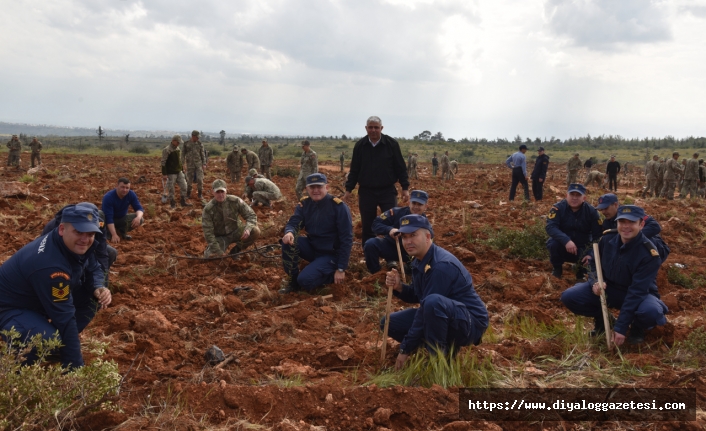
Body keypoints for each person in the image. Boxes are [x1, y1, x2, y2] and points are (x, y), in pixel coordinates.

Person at [0, 205, 111, 368]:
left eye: (90, 234)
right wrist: (75, 369)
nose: (85, 239)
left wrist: (98, 286)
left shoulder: (69, 244)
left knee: (93, 297)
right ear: (61, 229)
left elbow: (92, 265)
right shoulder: (50, 266)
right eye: (79, 232)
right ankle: (15, 362)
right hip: (11, 309)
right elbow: (64, 317)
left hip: (37, 300)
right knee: (50, 344)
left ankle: (53, 337)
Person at [381, 214, 488, 369]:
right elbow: (419, 295)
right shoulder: (420, 259)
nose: (408, 241)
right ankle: (441, 347)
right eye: (404, 237)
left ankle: (439, 363)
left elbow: (428, 305)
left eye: (413, 235)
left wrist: (405, 349)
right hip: (444, 314)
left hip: (470, 323)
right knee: (388, 323)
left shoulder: (440, 266)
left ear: (428, 236)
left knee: (433, 303)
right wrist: (400, 287)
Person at [560, 206, 668, 346]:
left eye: (631, 222)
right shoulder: (607, 239)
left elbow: (637, 291)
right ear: (617, 223)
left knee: (651, 312)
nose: (626, 227)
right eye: (622, 222)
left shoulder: (650, 253)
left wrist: (621, 328)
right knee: (570, 297)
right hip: (609, 289)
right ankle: (603, 320)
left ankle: (637, 327)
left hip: (639, 294)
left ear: (641, 225)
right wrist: (596, 282)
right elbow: (593, 263)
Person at [280, 173, 352, 294]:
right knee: (288, 242)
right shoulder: (305, 204)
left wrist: (341, 268)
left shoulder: (338, 207)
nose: (316, 190)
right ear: (307, 189)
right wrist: (290, 232)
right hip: (313, 248)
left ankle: (330, 274)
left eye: (319, 187)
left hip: (331, 254)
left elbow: (347, 239)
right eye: (312, 187)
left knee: (305, 280)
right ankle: (293, 282)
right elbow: (294, 222)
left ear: (327, 187)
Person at [343, 116, 409, 245]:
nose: (373, 130)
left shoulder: (391, 144)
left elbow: (400, 167)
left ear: (381, 128)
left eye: (376, 127)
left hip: (387, 190)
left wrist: (405, 188)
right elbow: (354, 170)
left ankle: (391, 256)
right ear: (366, 128)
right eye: (370, 127)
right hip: (366, 191)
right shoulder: (360, 146)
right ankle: (369, 253)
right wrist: (348, 190)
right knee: (367, 224)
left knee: (391, 222)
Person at [42, 202, 118, 287]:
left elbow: (102, 252)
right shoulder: (56, 225)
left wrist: (102, 285)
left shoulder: (99, 223)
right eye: (79, 232)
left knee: (111, 252)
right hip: (62, 251)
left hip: (84, 247)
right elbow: (47, 254)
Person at [545, 184, 603, 279]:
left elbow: (598, 236)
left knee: (587, 268)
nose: (574, 198)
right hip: (563, 246)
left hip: (582, 247)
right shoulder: (558, 208)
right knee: (553, 243)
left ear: (584, 198)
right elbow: (550, 227)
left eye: (578, 195)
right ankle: (557, 268)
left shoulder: (591, 211)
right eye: (572, 195)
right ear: (566, 196)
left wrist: (591, 254)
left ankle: (580, 270)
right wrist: (566, 240)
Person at [364, 190, 429, 274]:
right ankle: (376, 274)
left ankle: (410, 270)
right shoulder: (396, 212)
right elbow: (376, 224)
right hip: (392, 247)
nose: (416, 207)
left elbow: (429, 244)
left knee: (418, 265)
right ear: (409, 202)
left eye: (420, 204)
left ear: (425, 206)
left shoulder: (425, 223)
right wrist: (389, 229)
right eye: (414, 203)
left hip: (411, 252)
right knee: (370, 244)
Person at [595, 193, 669, 262]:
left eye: (606, 208)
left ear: (616, 205)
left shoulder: (631, 213)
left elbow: (655, 226)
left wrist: (633, 237)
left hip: (655, 248)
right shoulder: (607, 223)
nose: (603, 212)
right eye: (601, 209)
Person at [202, 179, 260, 257]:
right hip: (221, 237)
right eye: (217, 192)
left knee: (255, 231)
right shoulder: (208, 209)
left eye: (222, 191)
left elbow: (251, 215)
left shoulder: (235, 201)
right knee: (210, 256)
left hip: (237, 231)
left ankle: (235, 251)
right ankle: (217, 251)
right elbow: (208, 233)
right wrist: (219, 252)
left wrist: (248, 229)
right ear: (213, 192)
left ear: (226, 190)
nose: (220, 195)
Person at [101, 178, 144, 243]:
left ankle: (121, 232)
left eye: (127, 188)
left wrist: (138, 217)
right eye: (122, 187)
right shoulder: (109, 197)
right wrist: (114, 235)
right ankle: (108, 233)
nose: (125, 190)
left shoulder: (131, 194)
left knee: (140, 219)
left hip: (120, 219)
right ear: (117, 186)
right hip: (107, 221)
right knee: (99, 215)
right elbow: (109, 218)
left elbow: (139, 209)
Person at [161, 135, 191, 208]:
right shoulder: (167, 150)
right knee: (171, 188)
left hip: (179, 171)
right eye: (178, 142)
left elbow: (179, 160)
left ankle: (183, 201)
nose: (179, 144)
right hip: (171, 172)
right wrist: (164, 173)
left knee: (184, 186)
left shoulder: (177, 149)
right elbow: (163, 162)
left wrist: (182, 168)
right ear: (173, 141)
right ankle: (172, 203)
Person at [182, 130, 207, 200]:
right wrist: (182, 163)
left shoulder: (200, 144)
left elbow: (203, 155)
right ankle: (188, 194)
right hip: (190, 164)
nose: (198, 138)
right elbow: (182, 154)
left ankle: (200, 194)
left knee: (200, 179)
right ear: (193, 136)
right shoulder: (186, 144)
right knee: (189, 180)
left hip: (198, 164)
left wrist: (204, 164)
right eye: (197, 137)